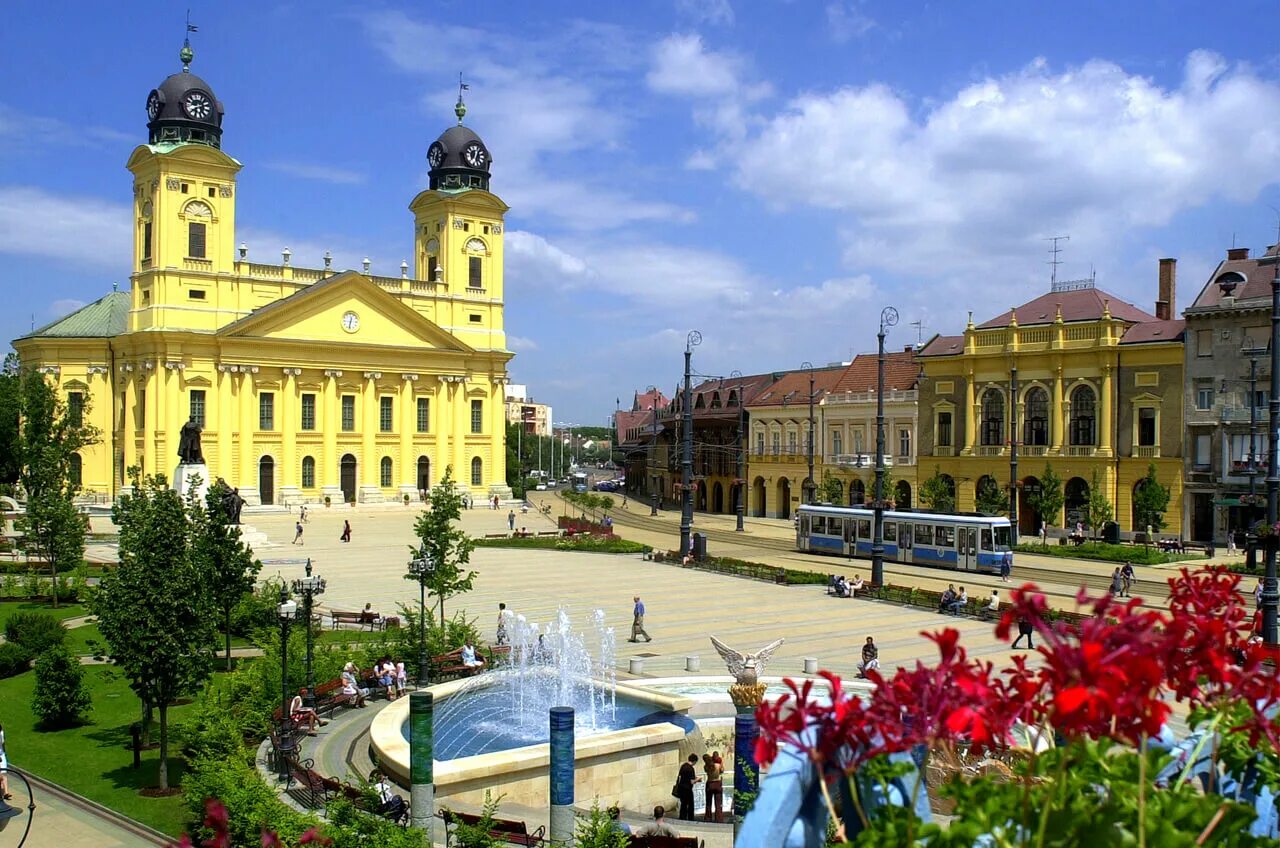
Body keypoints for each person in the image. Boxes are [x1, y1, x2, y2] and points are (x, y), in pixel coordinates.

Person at [675, 754, 700, 820]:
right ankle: (690, 818)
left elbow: (681, 777)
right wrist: (698, 779)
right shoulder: (691, 768)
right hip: (687, 789)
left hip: (681, 788)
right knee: (690, 805)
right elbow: (692, 781)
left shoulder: (683, 766)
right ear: (694, 761)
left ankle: (682, 817)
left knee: (683, 804)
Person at [703, 752, 724, 822]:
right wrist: (721, 764)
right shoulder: (718, 765)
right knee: (718, 803)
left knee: (708, 802)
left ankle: (708, 818)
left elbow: (706, 771)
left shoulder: (706, 767)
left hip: (709, 783)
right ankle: (719, 818)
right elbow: (722, 771)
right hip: (717, 783)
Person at [1, 721, 11, 800]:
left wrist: (4, 753)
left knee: (4, 773)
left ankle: (6, 792)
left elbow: (3, 744)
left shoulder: (1, 733)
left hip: (1, 754)